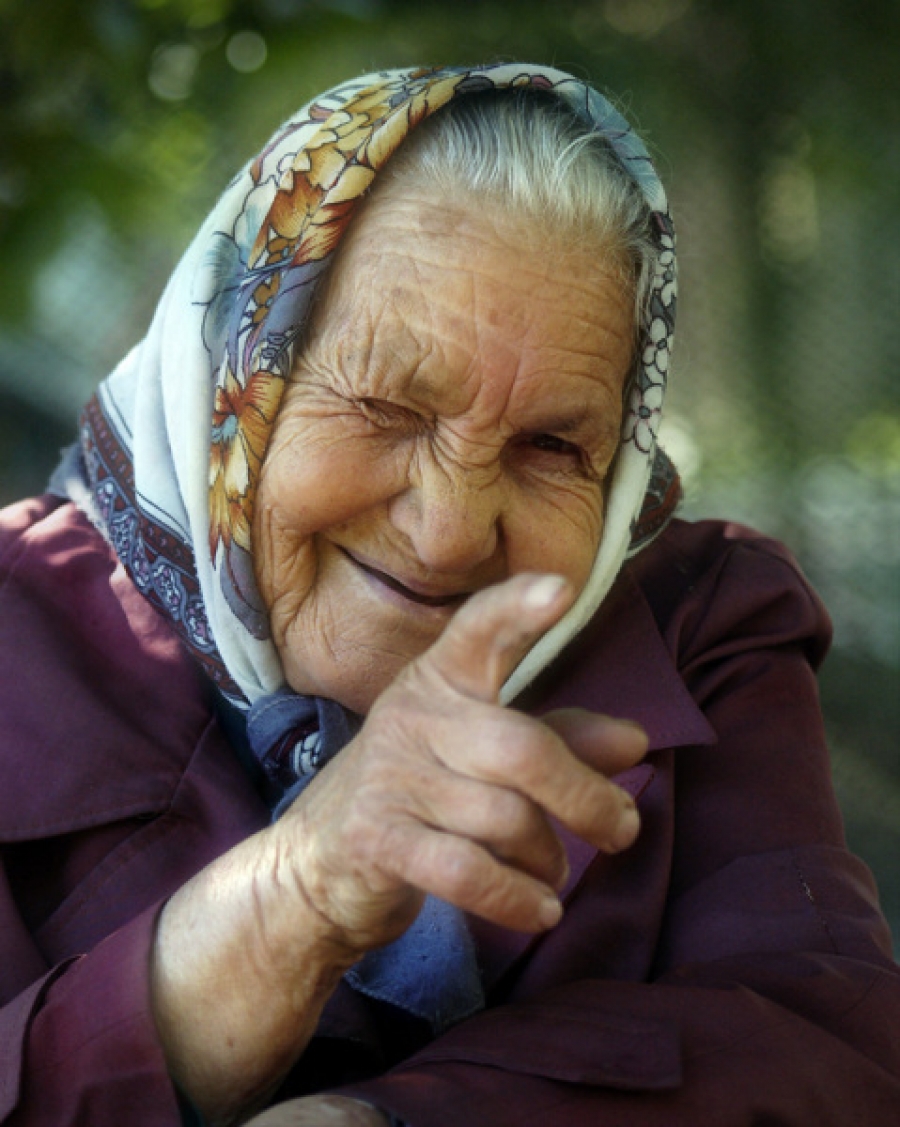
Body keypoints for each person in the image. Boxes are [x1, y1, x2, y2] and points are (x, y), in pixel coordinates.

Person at [0, 62, 897, 1127]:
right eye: (385, 404)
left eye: (556, 444)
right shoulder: (21, 630)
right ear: (237, 381)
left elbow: (822, 1036)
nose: (450, 528)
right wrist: (295, 895)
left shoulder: (700, 626)